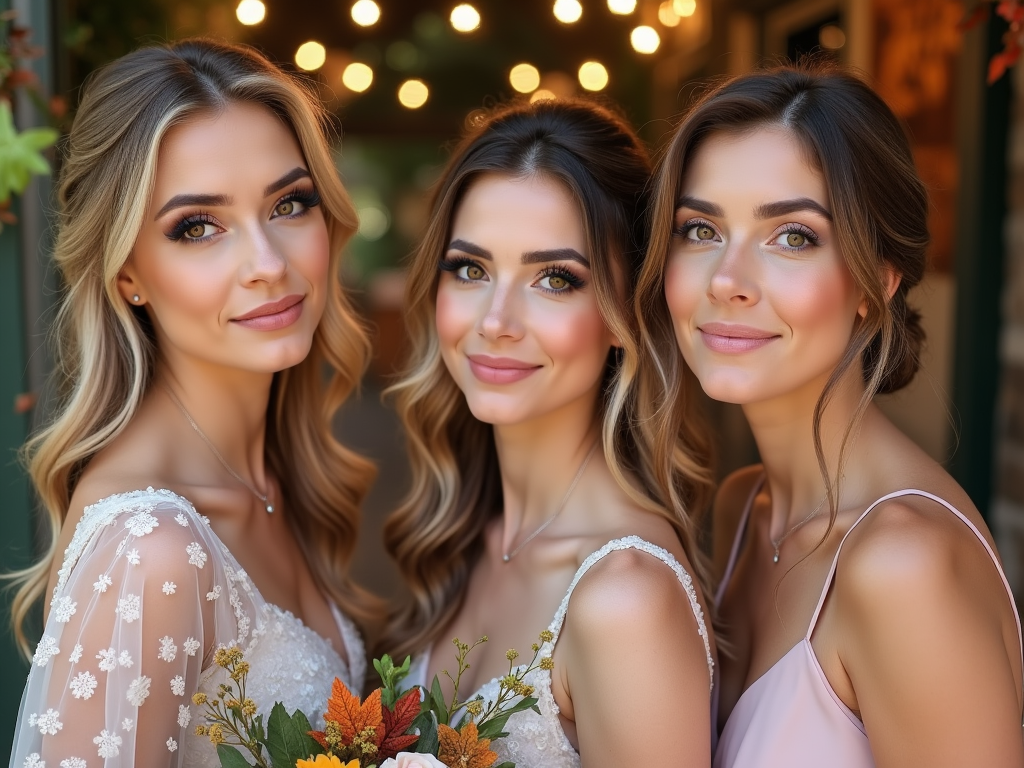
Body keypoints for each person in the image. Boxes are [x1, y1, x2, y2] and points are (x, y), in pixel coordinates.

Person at [634, 62, 1024, 767]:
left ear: (876, 281)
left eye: (793, 237)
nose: (727, 279)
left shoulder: (904, 564)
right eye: (700, 229)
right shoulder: (743, 507)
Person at [9, 38, 377, 767]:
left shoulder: (276, 482)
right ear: (127, 276)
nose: (269, 266)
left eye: (289, 204)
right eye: (197, 227)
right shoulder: (149, 550)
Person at [382, 98, 716, 768]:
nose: (497, 320)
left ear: (625, 314)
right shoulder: (470, 542)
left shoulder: (626, 599)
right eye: (470, 269)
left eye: (554, 279)